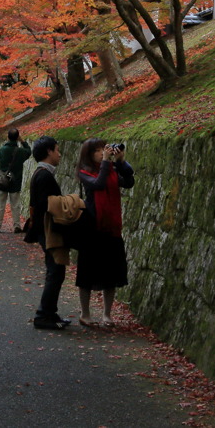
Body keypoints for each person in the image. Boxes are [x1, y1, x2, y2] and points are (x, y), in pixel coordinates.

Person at [75, 138, 135, 327]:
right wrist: (107, 163)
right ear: (89, 154)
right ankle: (85, 313)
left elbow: (129, 182)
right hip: (92, 227)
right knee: (86, 273)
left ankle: (107, 314)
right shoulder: (84, 172)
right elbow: (98, 184)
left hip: (112, 227)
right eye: (99, 150)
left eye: (104, 149)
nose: (103, 153)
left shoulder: (111, 168)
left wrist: (121, 161)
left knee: (111, 272)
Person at [28, 136, 70, 330]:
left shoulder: (40, 173)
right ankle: (43, 315)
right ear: (48, 152)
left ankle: (50, 314)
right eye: (57, 149)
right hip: (48, 230)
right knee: (55, 271)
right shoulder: (44, 175)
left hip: (44, 229)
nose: (59, 154)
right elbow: (47, 204)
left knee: (56, 271)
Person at [0, 128, 32, 233]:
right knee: (15, 204)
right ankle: (16, 225)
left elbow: (0, 160)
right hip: (16, 180)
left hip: (3, 180)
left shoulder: (3, 149)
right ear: (17, 138)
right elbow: (29, 151)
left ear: (8, 137)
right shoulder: (20, 152)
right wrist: (23, 141)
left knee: (0, 204)